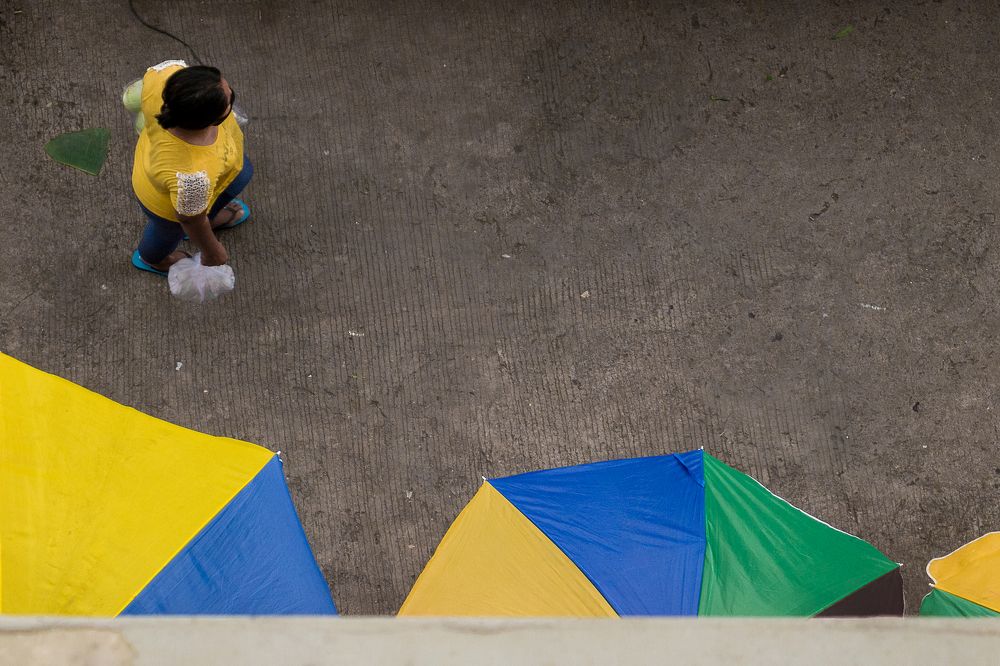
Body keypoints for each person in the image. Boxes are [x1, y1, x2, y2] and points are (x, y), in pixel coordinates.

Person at [129, 60, 253, 275]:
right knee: (169, 231)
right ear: (212, 120)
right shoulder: (192, 177)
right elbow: (189, 218)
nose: (230, 92)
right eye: (228, 100)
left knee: (242, 175)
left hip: (176, 178)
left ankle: (210, 216)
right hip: (168, 207)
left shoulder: (165, 78)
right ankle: (153, 259)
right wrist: (212, 251)